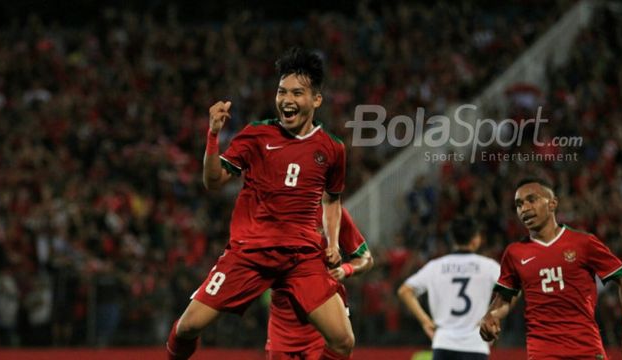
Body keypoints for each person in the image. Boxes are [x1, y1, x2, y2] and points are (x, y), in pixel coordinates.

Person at [165, 47, 354, 360]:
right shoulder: (255, 134)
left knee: (343, 341)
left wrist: (332, 242)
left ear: (316, 100)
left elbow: (332, 200)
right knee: (187, 328)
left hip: (301, 257)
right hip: (250, 253)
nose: (286, 100)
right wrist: (213, 135)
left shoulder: (332, 149)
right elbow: (213, 181)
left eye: (297, 92)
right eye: (281, 92)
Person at [479, 178, 622, 359]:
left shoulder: (583, 243)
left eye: (531, 200)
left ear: (552, 204)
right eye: (519, 205)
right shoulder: (514, 253)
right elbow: (504, 298)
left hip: (586, 348)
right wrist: (490, 316)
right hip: (542, 352)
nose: (524, 209)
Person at [266, 207, 374, 360]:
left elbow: (366, 258)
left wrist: (346, 269)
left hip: (322, 324)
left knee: (341, 343)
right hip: (283, 323)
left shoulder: (333, 212)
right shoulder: (275, 208)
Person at [398, 216, 500, 360]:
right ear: (476, 239)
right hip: (475, 343)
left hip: (444, 342)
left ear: (452, 239)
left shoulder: (436, 266)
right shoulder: (488, 267)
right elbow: (513, 289)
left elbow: (405, 291)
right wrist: (494, 315)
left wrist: (425, 321)